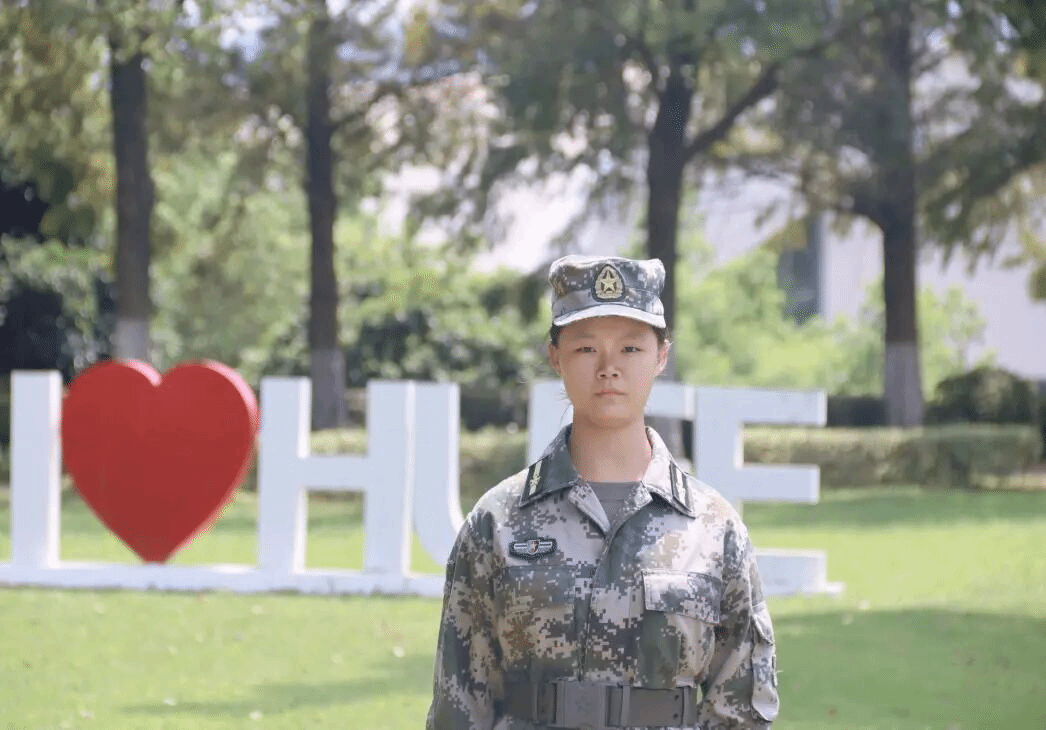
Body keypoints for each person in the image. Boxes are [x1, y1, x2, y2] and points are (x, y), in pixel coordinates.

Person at [426, 255, 779, 729]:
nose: (609, 368)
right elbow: (459, 703)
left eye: (630, 348)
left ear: (661, 356)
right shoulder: (498, 521)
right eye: (586, 348)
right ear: (556, 357)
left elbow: (742, 706)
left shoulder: (713, 528)